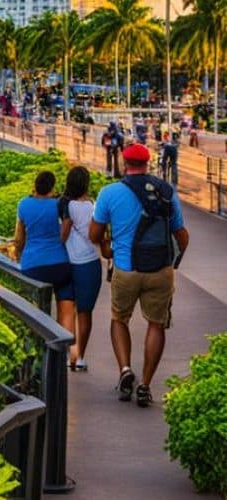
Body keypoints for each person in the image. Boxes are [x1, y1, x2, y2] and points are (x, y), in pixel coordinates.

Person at [90, 144, 192, 408]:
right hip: (160, 269)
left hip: (126, 268)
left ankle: (125, 370)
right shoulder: (166, 191)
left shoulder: (109, 193)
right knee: (156, 324)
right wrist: (174, 259)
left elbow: (93, 234)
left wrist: (107, 246)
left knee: (119, 318)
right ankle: (145, 385)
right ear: (148, 164)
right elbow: (181, 233)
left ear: (125, 163)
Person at [14, 171, 77, 328]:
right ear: (53, 188)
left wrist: (18, 256)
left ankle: (41, 345)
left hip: (32, 266)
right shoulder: (58, 205)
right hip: (60, 264)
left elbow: (19, 239)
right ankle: (64, 347)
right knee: (67, 306)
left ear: (34, 186)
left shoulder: (24, 204)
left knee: (36, 309)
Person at [59, 167, 103, 372]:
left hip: (67, 262)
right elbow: (98, 234)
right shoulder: (92, 206)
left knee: (68, 310)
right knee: (85, 312)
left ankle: (70, 354)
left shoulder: (64, 205)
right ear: (85, 184)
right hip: (89, 262)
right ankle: (81, 356)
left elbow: (63, 234)